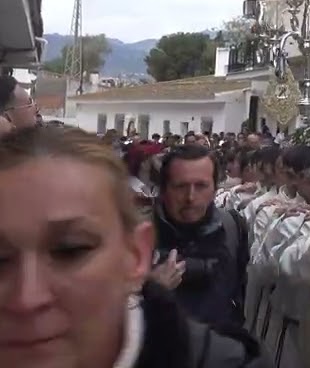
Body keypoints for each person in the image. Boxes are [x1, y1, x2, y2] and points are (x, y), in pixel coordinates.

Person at [0, 123, 266, 367]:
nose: (28, 297)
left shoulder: (233, 228)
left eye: (70, 251)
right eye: (1, 259)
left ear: (135, 254)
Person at [150, 144, 252, 335]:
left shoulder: (232, 228)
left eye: (201, 186)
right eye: (180, 187)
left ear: (215, 188)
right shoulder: (137, 235)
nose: (191, 197)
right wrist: (148, 292)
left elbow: (237, 297)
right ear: (163, 190)